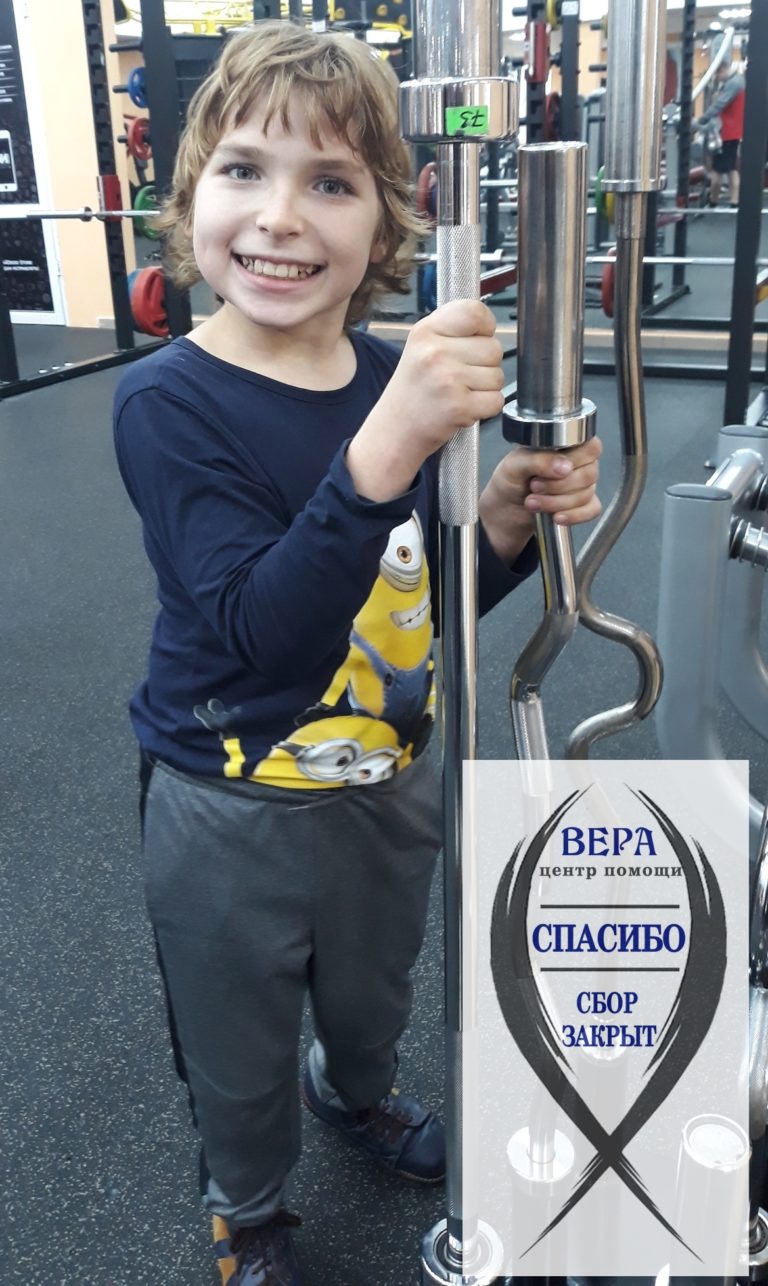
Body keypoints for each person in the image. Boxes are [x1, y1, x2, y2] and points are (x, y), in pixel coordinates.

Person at [113, 20, 601, 1286]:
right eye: (244, 170)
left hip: (390, 778)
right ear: (193, 193)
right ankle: (250, 1207)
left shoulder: (390, 370)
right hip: (231, 797)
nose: (280, 217)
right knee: (237, 1034)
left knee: (374, 988)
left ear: (386, 220)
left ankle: (357, 1089)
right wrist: (391, 442)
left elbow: (411, 604)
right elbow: (260, 632)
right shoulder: (168, 401)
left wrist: (501, 523)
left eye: (329, 182)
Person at [697, 60, 746, 208]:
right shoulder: (736, 82)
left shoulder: (734, 83)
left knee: (717, 171)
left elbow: (719, 104)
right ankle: (733, 202)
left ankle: (713, 201)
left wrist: (702, 120)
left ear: (722, 70)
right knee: (731, 168)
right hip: (731, 132)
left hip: (726, 133)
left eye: (717, 75)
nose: (717, 78)